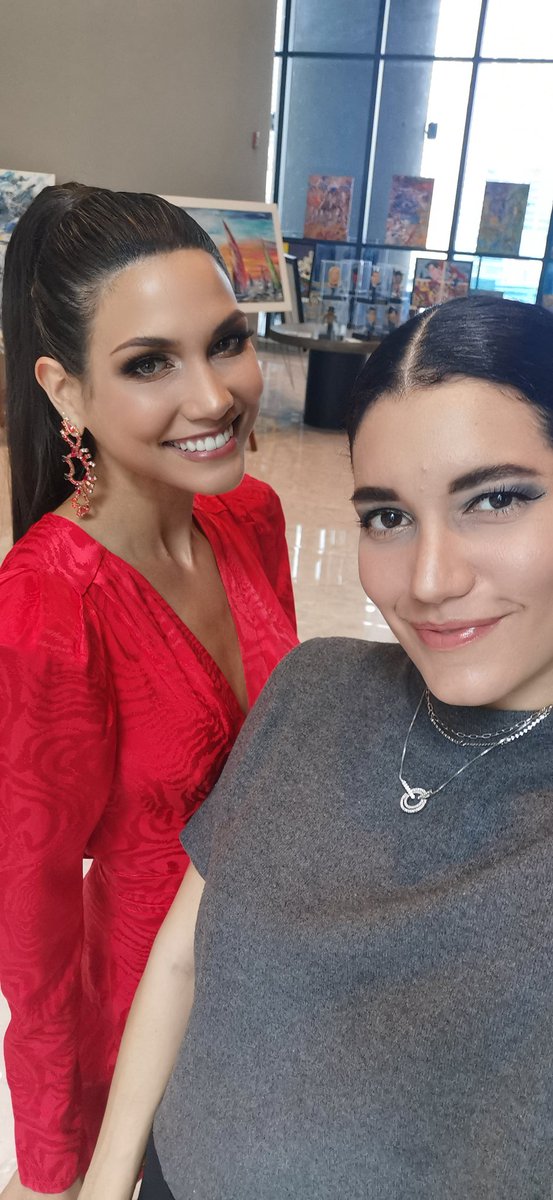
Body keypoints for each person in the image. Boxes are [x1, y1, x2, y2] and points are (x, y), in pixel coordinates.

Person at [81, 295, 553, 1199]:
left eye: (494, 499)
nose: (428, 581)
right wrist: (107, 1181)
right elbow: (184, 956)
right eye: (387, 517)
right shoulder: (314, 689)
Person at [0, 183, 298, 1199]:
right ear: (66, 391)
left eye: (225, 343)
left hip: (268, 981)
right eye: (148, 363)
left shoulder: (249, 516)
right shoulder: (47, 604)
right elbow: (31, 919)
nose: (213, 397)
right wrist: (56, 1160)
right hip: (141, 1023)